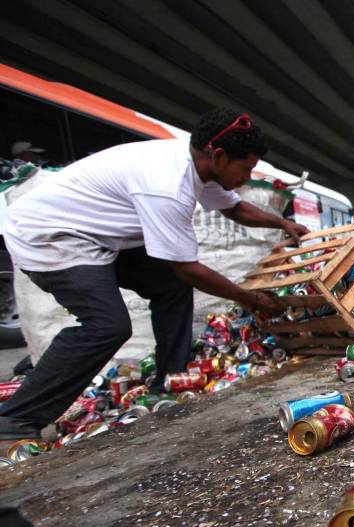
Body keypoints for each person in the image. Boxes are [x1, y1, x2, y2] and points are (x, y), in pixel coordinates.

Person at [0, 107, 306, 446]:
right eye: (245, 168)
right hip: (51, 236)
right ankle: (17, 417)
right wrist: (250, 298)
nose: (247, 177)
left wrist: (282, 223)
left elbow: (235, 208)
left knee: (169, 285)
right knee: (107, 326)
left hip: (100, 236)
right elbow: (187, 267)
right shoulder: (169, 185)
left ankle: (169, 381)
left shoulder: (198, 164)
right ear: (218, 155)